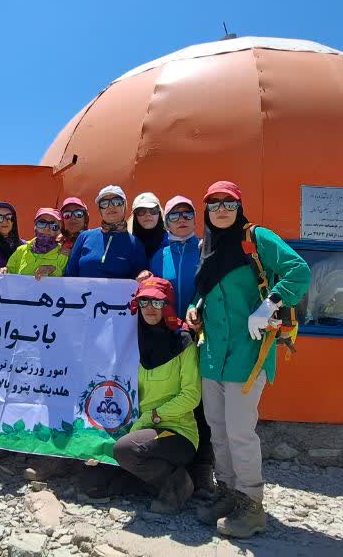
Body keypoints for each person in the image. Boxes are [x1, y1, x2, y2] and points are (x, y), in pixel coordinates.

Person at [185, 181, 311, 538]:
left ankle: (252, 506)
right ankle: (228, 493)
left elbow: (298, 270)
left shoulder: (257, 238)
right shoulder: (206, 245)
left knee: (240, 431)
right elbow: (205, 289)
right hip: (212, 354)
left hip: (248, 352)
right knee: (218, 430)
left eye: (229, 203)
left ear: (239, 207)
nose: (221, 209)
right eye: (214, 204)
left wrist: (270, 303)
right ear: (207, 211)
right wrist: (195, 307)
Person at [77, 278, 201, 513]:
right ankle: (149, 485)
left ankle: (177, 484)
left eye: (156, 302)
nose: (150, 309)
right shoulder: (131, 344)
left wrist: (152, 417)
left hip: (175, 432)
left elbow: (191, 395)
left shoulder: (184, 342)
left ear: (167, 305)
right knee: (91, 483)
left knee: (127, 450)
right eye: (144, 302)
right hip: (137, 429)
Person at [142, 195, 213, 498]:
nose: (181, 219)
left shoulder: (207, 251)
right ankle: (171, 467)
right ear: (166, 221)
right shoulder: (158, 256)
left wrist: (199, 310)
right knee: (176, 399)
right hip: (172, 339)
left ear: (195, 218)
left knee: (202, 406)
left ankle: (203, 472)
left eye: (187, 213)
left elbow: (211, 287)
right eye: (174, 215)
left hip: (202, 336)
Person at [64, 186, 148, 279]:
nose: (111, 206)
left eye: (117, 202)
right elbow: (70, 275)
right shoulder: (84, 237)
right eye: (104, 203)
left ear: (125, 206)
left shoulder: (136, 244)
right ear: (100, 210)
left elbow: (139, 283)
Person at [4, 208, 70, 278]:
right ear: (34, 225)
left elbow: (69, 281)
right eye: (41, 223)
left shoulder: (64, 255)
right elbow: (9, 274)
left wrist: (53, 269)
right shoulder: (20, 251)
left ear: (59, 230)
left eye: (53, 226)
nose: (47, 229)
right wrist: (4, 271)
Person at [131, 192, 168, 260]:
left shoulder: (173, 243)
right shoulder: (128, 245)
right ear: (135, 216)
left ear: (159, 214)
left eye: (153, 210)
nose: (148, 214)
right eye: (141, 211)